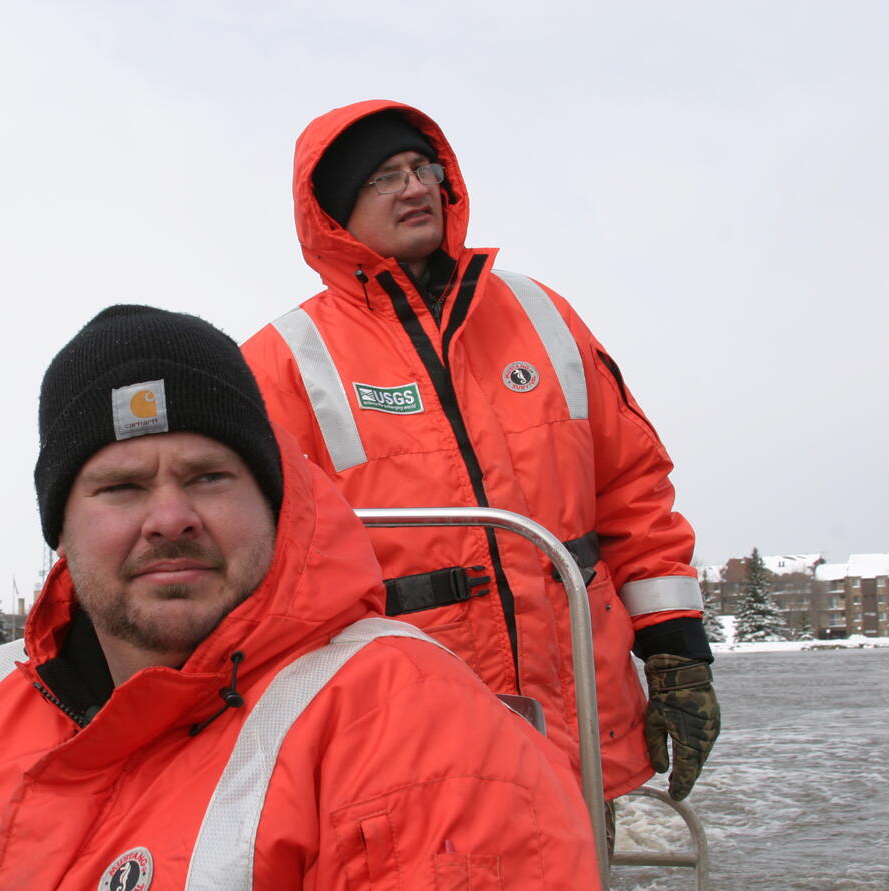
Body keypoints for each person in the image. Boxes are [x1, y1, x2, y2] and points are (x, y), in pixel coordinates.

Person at [0, 305, 597, 890]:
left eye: (208, 476)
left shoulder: (417, 729)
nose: (170, 516)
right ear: (61, 529)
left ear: (275, 502)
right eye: (122, 487)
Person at [241, 100, 720, 809]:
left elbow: (633, 492)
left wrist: (677, 652)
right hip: (407, 753)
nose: (413, 187)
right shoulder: (282, 364)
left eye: (420, 168)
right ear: (336, 211)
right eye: (383, 178)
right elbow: (258, 564)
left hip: (579, 728)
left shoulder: (542, 315)